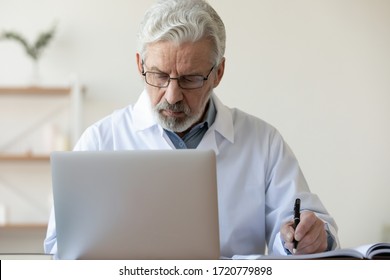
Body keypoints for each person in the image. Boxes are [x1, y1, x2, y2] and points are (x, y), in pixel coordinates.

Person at [44, 0, 339, 258]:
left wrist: (309, 238)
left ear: (218, 73)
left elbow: (307, 232)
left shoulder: (263, 142)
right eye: (159, 76)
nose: (172, 96)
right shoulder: (100, 140)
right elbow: (60, 245)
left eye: (190, 79)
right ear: (139, 65)